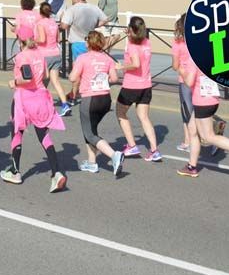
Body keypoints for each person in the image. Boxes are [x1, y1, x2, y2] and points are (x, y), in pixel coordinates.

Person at [0, 24, 67, 192]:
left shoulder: (22, 56)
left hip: (24, 98)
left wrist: (13, 82)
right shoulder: (39, 53)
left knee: (16, 132)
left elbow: (26, 76)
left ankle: (15, 171)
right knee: (44, 136)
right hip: (41, 96)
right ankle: (56, 172)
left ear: (19, 40)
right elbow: (44, 76)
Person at [178, 32, 229, 178]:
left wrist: (181, 71)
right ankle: (192, 166)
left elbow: (189, 83)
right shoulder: (213, 54)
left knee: (208, 137)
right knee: (192, 130)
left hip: (202, 101)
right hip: (212, 99)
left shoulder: (193, 58)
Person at [68, 30, 123, 177]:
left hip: (89, 99)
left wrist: (74, 70)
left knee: (89, 133)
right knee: (91, 129)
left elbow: (73, 78)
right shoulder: (107, 59)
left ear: (89, 43)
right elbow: (114, 79)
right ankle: (92, 163)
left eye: (86, 40)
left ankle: (114, 155)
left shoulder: (83, 58)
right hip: (105, 99)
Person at [112, 16, 162, 162]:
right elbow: (138, 45)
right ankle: (154, 150)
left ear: (132, 30)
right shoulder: (147, 42)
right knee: (144, 117)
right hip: (146, 85)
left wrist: (121, 66)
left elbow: (136, 64)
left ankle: (132, 145)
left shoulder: (133, 46)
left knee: (120, 112)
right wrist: (129, 35)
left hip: (132, 85)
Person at [36, 2, 72, 116]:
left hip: (45, 55)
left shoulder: (40, 23)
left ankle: (40, 104)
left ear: (41, 12)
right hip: (56, 53)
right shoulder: (53, 23)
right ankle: (65, 104)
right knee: (55, 81)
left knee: (40, 81)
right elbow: (57, 39)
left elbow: (42, 39)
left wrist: (33, 39)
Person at [58, 0, 106, 72]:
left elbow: (64, 26)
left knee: (78, 66)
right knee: (90, 65)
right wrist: (95, 25)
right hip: (91, 42)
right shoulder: (94, 7)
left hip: (77, 43)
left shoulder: (72, 9)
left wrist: (61, 23)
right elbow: (105, 19)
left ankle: (78, 83)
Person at [171, 14, 193, 152]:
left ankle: (188, 141)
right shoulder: (199, 39)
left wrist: (183, 71)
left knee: (187, 111)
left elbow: (174, 65)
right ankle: (189, 140)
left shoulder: (178, 43)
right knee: (198, 112)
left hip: (185, 80)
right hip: (199, 79)